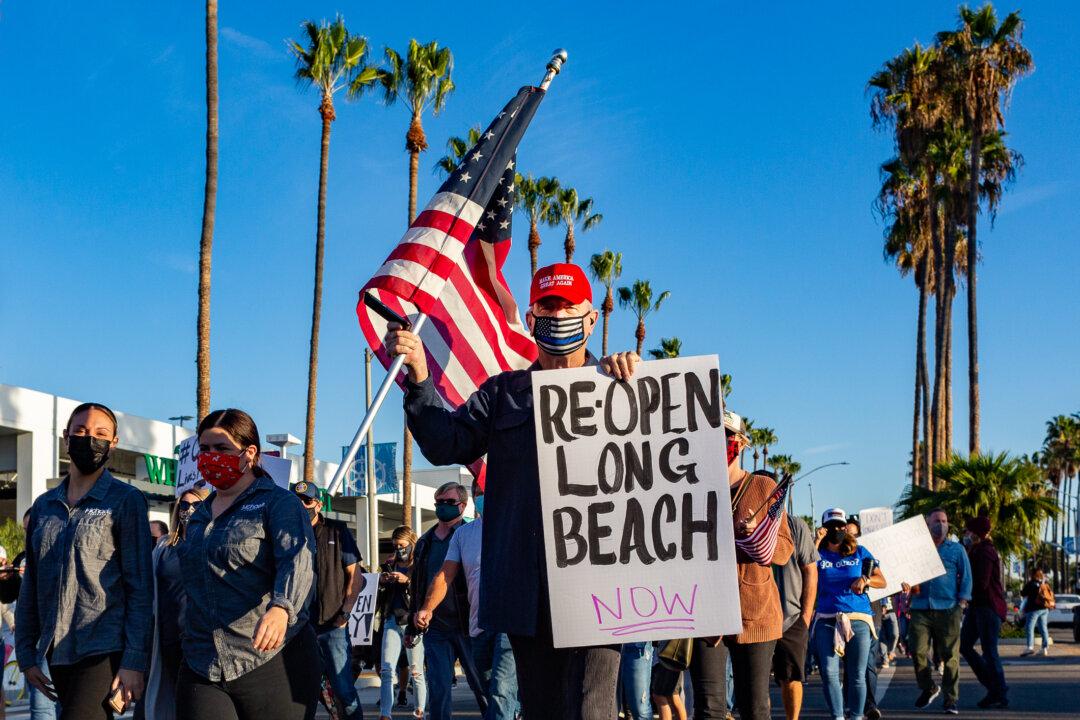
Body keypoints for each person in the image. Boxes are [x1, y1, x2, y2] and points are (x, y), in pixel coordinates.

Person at [386, 262, 640, 719]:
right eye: (547, 307)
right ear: (530, 316)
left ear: (591, 318)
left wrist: (636, 381)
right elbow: (446, 442)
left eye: (567, 307)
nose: (557, 316)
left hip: (601, 587)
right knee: (541, 708)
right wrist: (421, 376)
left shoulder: (619, 384)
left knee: (592, 707)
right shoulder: (503, 394)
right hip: (527, 590)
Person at [176, 408, 321, 720]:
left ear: (249, 453)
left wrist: (282, 607)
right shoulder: (198, 515)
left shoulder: (278, 504)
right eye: (205, 449)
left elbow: (298, 561)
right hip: (202, 662)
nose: (211, 456)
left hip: (271, 659)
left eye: (222, 448)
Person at [16, 402, 154, 720]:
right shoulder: (44, 506)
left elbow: (140, 587)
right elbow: (31, 584)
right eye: (81, 430)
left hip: (102, 647)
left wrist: (134, 660)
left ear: (113, 443)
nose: (90, 439)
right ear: (66, 437)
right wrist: (26, 653)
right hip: (55, 648)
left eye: (101, 433)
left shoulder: (126, 500)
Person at [711, 411, 794, 720]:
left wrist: (759, 531)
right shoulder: (691, 488)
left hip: (755, 614)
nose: (719, 443)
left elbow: (784, 550)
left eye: (727, 437)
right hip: (706, 612)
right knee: (709, 708)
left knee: (754, 707)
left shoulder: (762, 486)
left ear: (742, 444)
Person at [415, 477, 519, 720]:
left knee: (501, 690)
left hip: (509, 621)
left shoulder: (516, 526)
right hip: (477, 623)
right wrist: (426, 608)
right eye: (479, 490)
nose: (483, 494)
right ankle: (516, 710)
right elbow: (444, 575)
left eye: (487, 488)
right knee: (486, 685)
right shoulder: (462, 535)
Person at [407, 481, 485, 719]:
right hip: (436, 628)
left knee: (482, 685)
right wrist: (413, 620)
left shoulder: (471, 535)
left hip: (467, 624)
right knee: (439, 688)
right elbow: (418, 583)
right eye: (439, 502)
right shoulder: (424, 542)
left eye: (449, 502)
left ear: (462, 505)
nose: (443, 506)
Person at [293, 481, 365, 720]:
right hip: (299, 628)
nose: (302, 506)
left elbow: (355, 575)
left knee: (344, 689)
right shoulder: (287, 534)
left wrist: (345, 614)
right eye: (297, 501)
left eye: (307, 501)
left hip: (333, 625)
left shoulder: (337, 530)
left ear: (319, 504)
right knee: (302, 692)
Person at [137, 487, 210, 720]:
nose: (189, 511)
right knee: (170, 700)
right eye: (185, 506)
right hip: (168, 638)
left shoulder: (214, 543)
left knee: (197, 703)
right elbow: (148, 588)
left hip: (200, 640)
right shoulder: (164, 547)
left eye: (196, 505)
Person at [812, 508, 886, 720]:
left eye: (840, 525)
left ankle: (855, 716)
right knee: (828, 672)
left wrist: (866, 580)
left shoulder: (859, 551)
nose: (837, 529)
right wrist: (816, 544)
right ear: (823, 529)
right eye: (831, 526)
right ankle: (837, 716)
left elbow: (883, 581)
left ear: (846, 527)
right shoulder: (818, 553)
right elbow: (805, 570)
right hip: (827, 618)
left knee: (857, 675)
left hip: (859, 618)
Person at [904, 507, 971, 714]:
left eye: (943, 521)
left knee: (950, 655)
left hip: (948, 609)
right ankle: (928, 686)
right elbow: (905, 572)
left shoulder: (956, 549)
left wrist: (962, 602)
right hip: (920, 608)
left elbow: (966, 576)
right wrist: (906, 586)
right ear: (927, 523)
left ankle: (950, 699)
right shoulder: (917, 549)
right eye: (936, 520)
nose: (940, 524)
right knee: (917, 651)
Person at [772, 511, 819, 720]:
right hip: (754, 618)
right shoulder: (738, 520)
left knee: (790, 677)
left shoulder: (794, 525)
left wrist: (806, 616)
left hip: (791, 618)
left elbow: (810, 569)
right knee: (753, 681)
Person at [12, 509, 59, 720]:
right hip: (38, 645)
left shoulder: (59, 555)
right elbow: (17, 603)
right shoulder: (23, 558)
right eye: (25, 530)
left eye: (31, 528)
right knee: (41, 709)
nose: (28, 534)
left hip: (64, 643)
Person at [377, 526, 426, 720]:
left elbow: (424, 591)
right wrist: (382, 580)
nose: (399, 549)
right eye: (395, 545)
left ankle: (420, 710)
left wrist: (407, 581)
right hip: (392, 618)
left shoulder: (420, 565)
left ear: (411, 544)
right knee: (387, 668)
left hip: (411, 620)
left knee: (416, 670)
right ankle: (385, 713)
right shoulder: (390, 564)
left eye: (402, 545)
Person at [960, 515, 1008, 709]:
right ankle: (994, 687)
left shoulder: (986, 552)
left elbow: (981, 582)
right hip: (977, 607)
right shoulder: (976, 550)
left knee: (990, 651)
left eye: (969, 531)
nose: (966, 534)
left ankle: (999, 691)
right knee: (965, 646)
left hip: (988, 607)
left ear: (977, 533)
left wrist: (962, 592)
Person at [844, 516, 882, 720]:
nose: (849, 537)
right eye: (846, 532)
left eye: (854, 534)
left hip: (870, 616)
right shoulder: (837, 557)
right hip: (845, 615)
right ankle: (850, 703)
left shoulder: (867, 555)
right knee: (850, 664)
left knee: (866, 663)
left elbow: (885, 581)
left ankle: (869, 706)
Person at [1020, 568, 1053, 657]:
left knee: (1029, 627)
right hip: (1044, 608)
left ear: (1033, 574)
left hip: (1033, 609)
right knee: (1043, 628)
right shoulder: (1044, 583)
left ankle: (1030, 647)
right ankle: (1044, 648)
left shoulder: (1031, 583)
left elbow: (1023, 593)